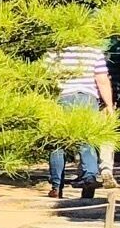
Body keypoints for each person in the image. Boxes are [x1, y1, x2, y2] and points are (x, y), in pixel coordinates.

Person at [44, 39, 113, 198]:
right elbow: (102, 80)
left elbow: (46, 79)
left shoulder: (55, 51)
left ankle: (56, 186)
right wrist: (109, 105)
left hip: (62, 98)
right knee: (87, 139)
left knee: (57, 142)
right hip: (87, 98)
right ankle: (89, 178)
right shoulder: (93, 51)